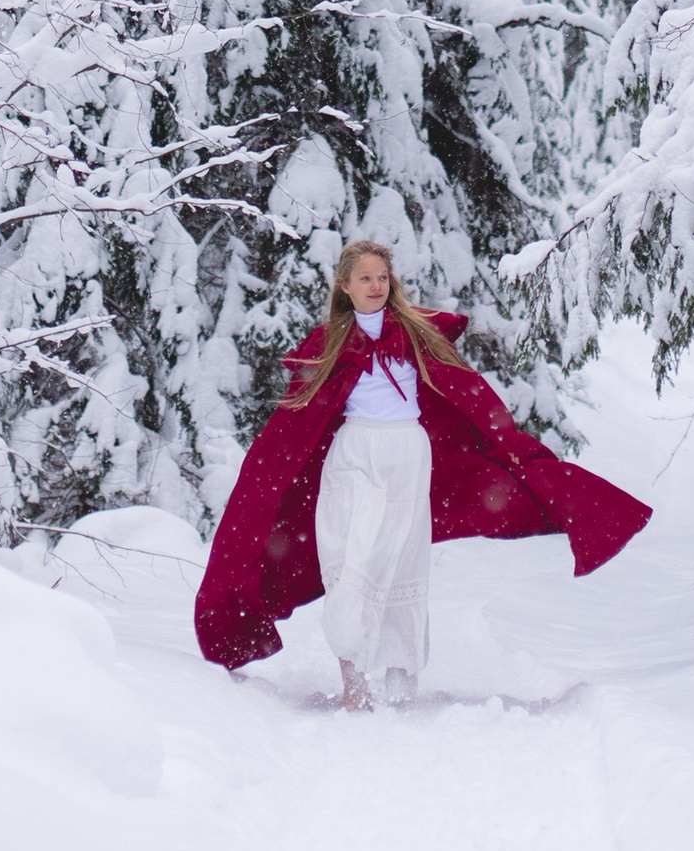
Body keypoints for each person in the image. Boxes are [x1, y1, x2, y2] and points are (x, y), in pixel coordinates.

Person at [194, 238, 652, 706]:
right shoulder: (328, 341)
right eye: (364, 278)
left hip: (406, 457)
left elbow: (466, 392)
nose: (375, 286)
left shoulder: (416, 333)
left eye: (381, 277)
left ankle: (399, 682)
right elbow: (297, 421)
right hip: (352, 456)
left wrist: (508, 447)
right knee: (350, 564)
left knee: (397, 565)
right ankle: (354, 686)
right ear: (345, 286)